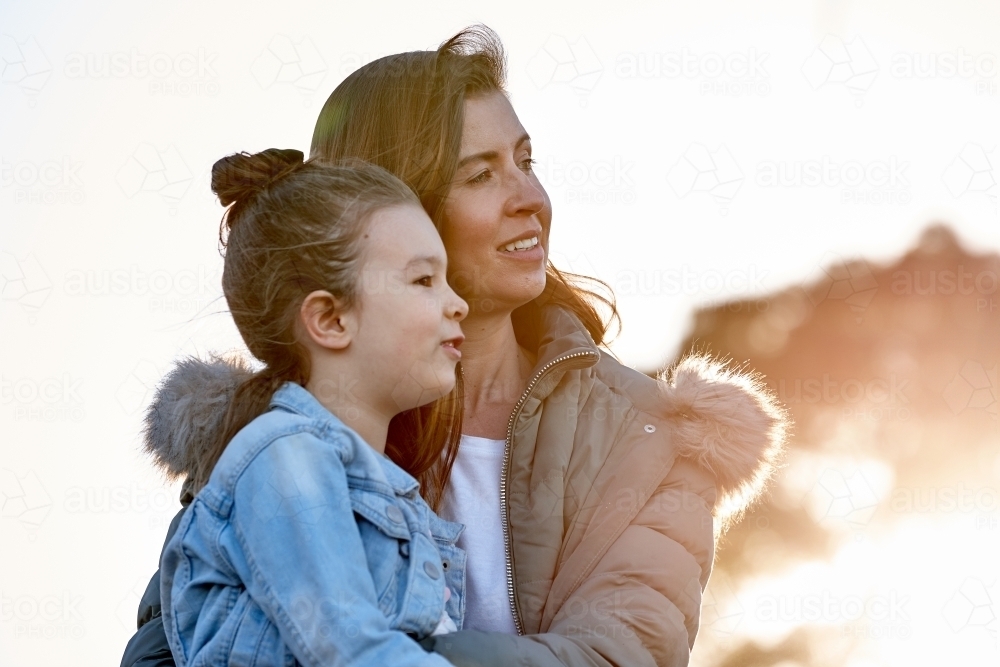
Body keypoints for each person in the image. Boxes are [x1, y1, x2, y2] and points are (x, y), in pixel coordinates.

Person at [122, 26, 788, 667]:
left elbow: (617, 657)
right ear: (388, 209)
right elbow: (168, 646)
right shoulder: (275, 439)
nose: (531, 198)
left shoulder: (645, 438)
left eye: (526, 161)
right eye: (480, 176)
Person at [158, 151, 471, 667]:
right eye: (423, 280)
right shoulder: (284, 457)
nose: (458, 303)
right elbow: (352, 651)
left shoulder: (396, 498)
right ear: (329, 319)